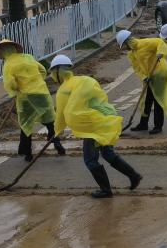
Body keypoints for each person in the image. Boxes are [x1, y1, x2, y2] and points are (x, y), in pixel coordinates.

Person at [48, 54, 142, 199]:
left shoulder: (64, 89)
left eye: (52, 72)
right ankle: (134, 176)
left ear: (57, 71)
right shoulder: (84, 79)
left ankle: (106, 190)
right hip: (107, 119)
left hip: (92, 125)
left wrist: (56, 133)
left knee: (90, 160)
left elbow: (61, 115)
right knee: (108, 154)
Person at [0, 38, 65, 161]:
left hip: (26, 97)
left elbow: (10, 84)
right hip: (41, 93)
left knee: (26, 124)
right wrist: (36, 81)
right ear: (14, 48)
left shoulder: (8, 64)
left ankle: (27, 152)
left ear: (3, 52)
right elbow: (42, 70)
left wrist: (17, 90)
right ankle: (57, 144)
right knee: (49, 120)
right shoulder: (28, 57)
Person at [117, 29, 167, 135]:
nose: (125, 48)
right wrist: (144, 77)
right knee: (147, 100)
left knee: (157, 99)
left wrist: (160, 53)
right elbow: (137, 68)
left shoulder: (145, 43)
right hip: (149, 77)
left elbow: (161, 42)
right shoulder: (132, 54)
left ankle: (158, 126)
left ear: (128, 41)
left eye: (125, 45)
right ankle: (143, 124)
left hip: (159, 73)